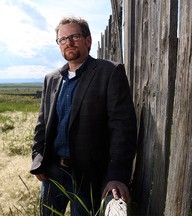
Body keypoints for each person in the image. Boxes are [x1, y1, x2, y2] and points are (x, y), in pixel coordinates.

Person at [30, 16, 137, 215]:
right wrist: (38, 159)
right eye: (62, 39)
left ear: (87, 40)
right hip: (52, 173)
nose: (68, 43)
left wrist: (117, 175)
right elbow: (42, 125)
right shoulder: (51, 79)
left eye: (74, 36)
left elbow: (123, 129)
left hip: (88, 176)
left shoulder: (109, 72)